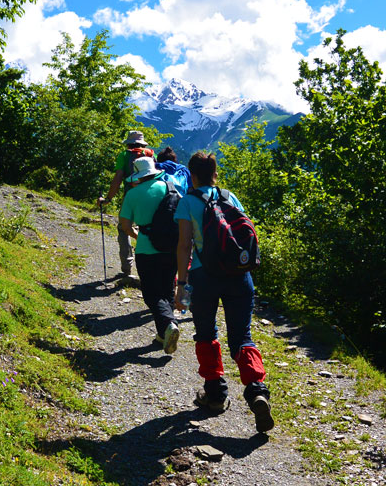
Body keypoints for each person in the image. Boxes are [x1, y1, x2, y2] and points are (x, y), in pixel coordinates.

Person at [173, 151, 274, 432]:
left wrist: (182, 286)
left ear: (191, 175)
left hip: (204, 277)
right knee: (243, 336)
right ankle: (256, 390)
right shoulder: (230, 197)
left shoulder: (187, 202)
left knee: (206, 334)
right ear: (215, 174)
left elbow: (184, 246)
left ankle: (215, 395)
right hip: (240, 276)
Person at [118, 156, 180, 354]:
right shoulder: (170, 188)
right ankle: (163, 335)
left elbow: (125, 225)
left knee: (152, 294)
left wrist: (138, 235)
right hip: (172, 248)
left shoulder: (133, 194)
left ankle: (169, 323)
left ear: (137, 175)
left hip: (146, 249)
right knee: (167, 289)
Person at [97, 130, 154, 277]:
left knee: (124, 228)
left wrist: (108, 199)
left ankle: (127, 267)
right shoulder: (149, 154)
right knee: (148, 227)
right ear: (142, 143)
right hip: (151, 196)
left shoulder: (124, 155)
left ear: (128, 143)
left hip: (131, 196)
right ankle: (149, 266)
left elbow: (118, 178)